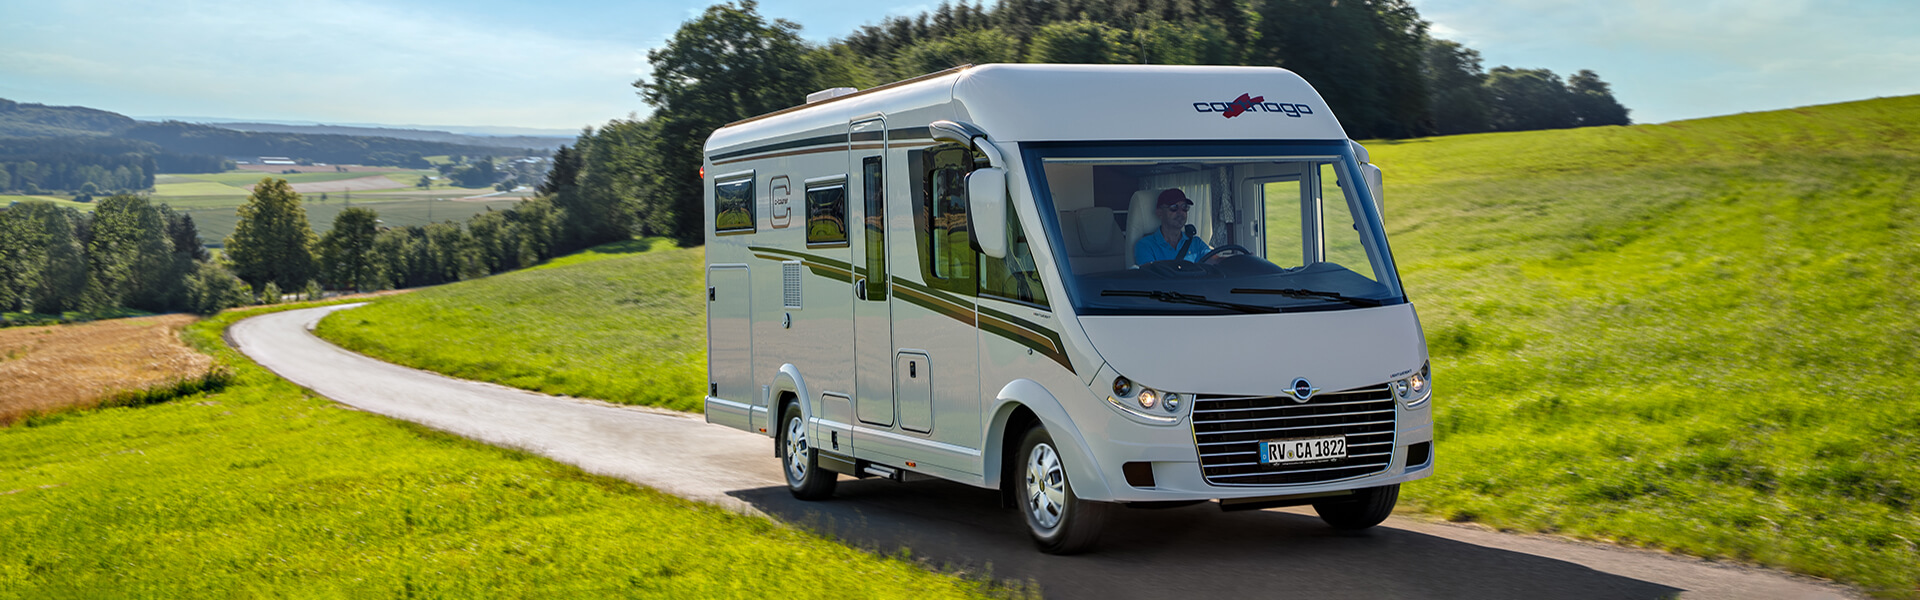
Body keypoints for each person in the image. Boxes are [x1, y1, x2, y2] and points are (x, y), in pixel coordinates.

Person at [1133, 189, 1213, 265]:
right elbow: (1151, 276)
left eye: (1184, 207)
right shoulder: (1146, 245)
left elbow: (1216, 261)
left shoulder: (1196, 243)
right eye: (1174, 207)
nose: (1180, 213)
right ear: (1159, 213)